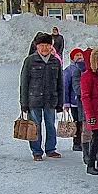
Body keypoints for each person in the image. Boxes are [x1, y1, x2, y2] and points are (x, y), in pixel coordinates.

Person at [18, 32, 64, 161]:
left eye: (47, 45)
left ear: (51, 46)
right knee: (35, 126)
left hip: (51, 99)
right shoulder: (30, 61)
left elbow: (60, 83)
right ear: (37, 46)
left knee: (50, 124)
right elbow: (24, 83)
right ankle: (36, 151)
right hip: (34, 100)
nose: (45, 48)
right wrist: (24, 103)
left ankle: (51, 149)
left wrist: (61, 102)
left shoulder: (55, 61)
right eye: (42, 45)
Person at [80, 49, 98, 175]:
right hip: (94, 111)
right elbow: (85, 97)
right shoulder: (87, 76)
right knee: (96, 138)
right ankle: (91, 164)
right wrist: (89, 115)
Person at [62, 47, 88, 154]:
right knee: (77, 122)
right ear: (72, 58)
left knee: (84, 122)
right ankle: (76, 142)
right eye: (76, 55)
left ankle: (84, 141)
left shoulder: (86, 68)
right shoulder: (69, 70)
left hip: (84, 100)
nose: (79, 57)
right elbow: (65, 86)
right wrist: (66, 102)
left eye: (80, 55)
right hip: (74, 102)